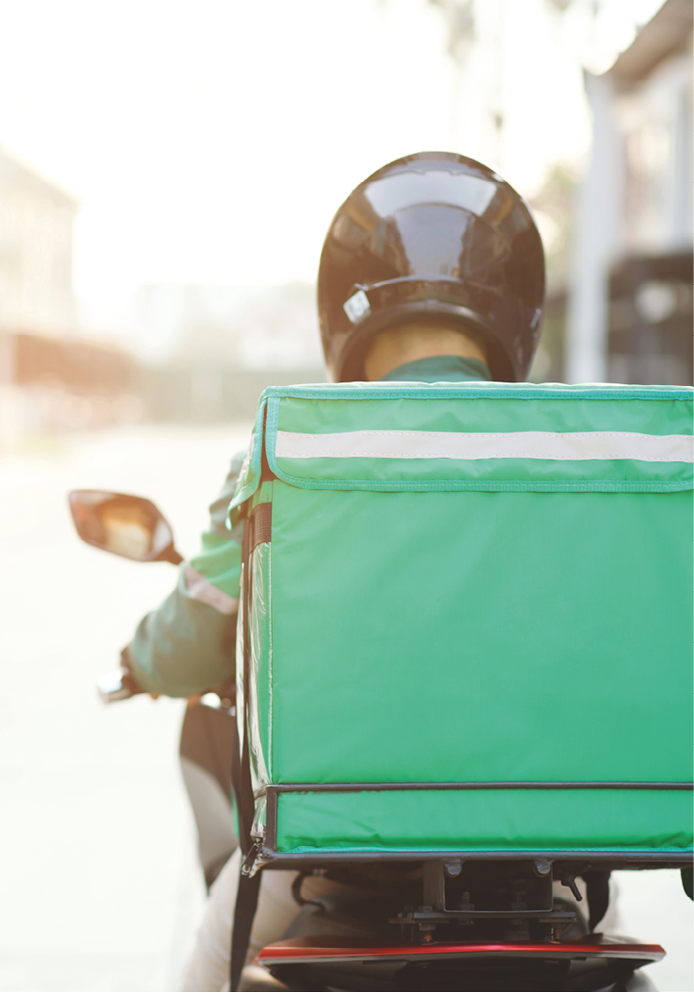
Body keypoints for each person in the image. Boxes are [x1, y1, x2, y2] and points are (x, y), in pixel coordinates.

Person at [117, 152, 609, 990]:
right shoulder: (581, 461)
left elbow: (190, 642)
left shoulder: (286, 454)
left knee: (206, 964)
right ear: (517, 314)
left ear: (342, 315)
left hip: (332, 853)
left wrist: (141, 662)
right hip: (545, 853)